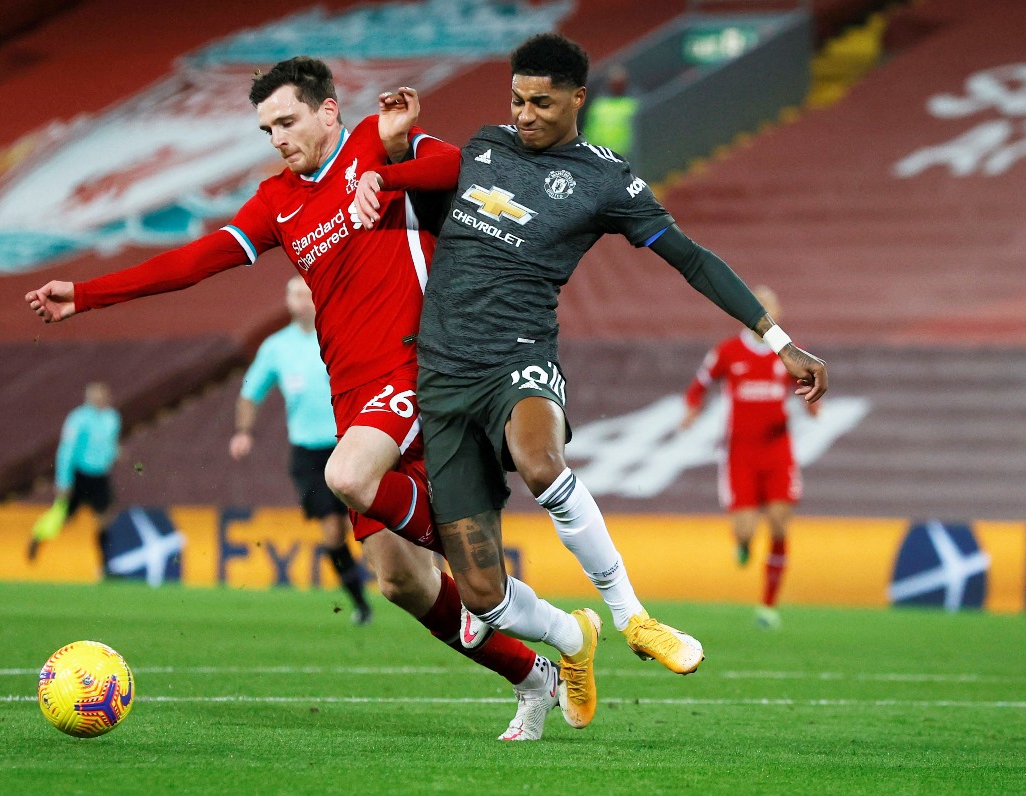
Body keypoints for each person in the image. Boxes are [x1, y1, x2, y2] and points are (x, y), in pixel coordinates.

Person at [26, 57, 563, 741]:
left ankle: (480, 556)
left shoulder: (377, 138)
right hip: (355, 396)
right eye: (266, 128)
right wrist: (90, 294)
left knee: (348, 476)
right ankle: (531, 675)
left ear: (328, 112)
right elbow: (194, 261)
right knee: (400, 582)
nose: (277, 136)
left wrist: (388, 168)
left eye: (286, 121)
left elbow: (459, 171)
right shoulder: (276, 200)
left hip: (418, 369)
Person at [352, 32, 828, 729]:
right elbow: (413, 204)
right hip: (443, 379)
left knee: (541, 459)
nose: (525, 113)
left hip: (518, 359)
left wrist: (779, 341)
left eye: (541, 102)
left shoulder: (607, 180)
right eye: (517, 98)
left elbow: (692, 259)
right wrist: (387, 158)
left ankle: (633, 617)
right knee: (481, 593)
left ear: (579, 98)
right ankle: (575, 639)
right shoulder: (482, 149)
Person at [230, 277, 373, 625]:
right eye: (295, 294)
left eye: (307, 294)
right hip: (308, 454)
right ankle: (361, 604)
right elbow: (251, 392)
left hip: (351, 444)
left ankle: (412, 583)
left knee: (373, 528)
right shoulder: (276, 347)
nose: (302, 301)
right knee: (332, 532)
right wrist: (243, 432)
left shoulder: (342, 332)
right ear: (288, 301)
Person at [681, 286, 819, 629]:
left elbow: (808, 382)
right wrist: (692, 408)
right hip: (740, 452)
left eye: (770, 307)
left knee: (778, 523)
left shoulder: (788, 352)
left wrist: (814, 402)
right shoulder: (728, 351)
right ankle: (743, 544)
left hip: (777, 449)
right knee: (745, 530)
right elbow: (701, 380)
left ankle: (768, 606)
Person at [29, 381, 122, 566]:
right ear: (88, 398)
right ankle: (39, 535)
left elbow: (109, 444)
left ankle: (105, 564)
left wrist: (114, 454)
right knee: (62, 516)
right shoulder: (78, 419)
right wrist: (63, 481)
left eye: (103, 395)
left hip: (99, 475)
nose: (100, 399)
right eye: (96, 395)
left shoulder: (112, 418)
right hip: (79, 475)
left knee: (106, 516)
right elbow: (66, 451)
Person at [582, 64, 638, 158]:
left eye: (620, 83)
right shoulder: (599, 105)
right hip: (603, 155)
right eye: (614, 83)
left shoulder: (634, 103)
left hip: (628, 155)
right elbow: (591, 129)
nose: (617, 86)